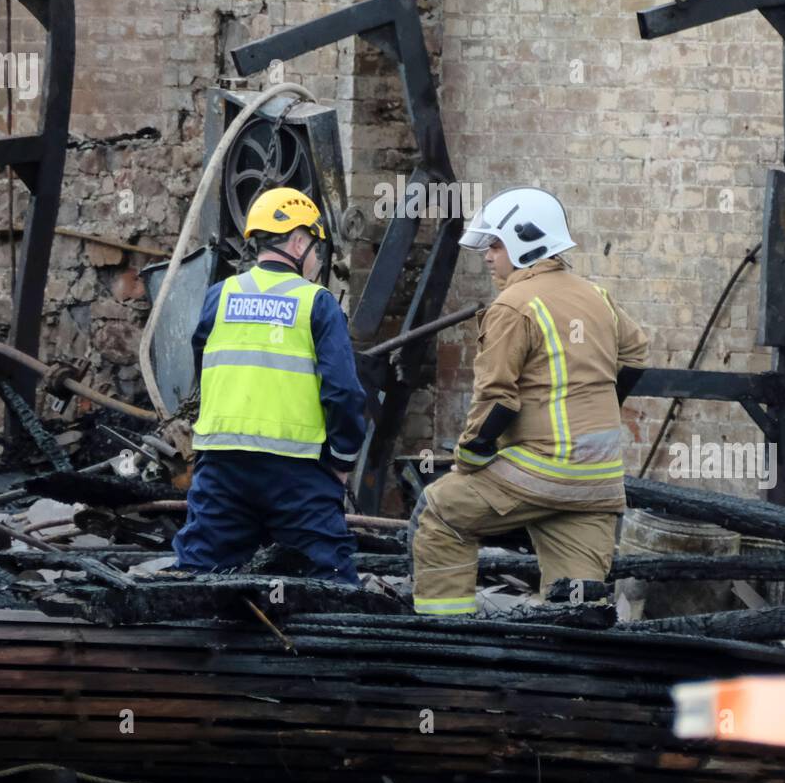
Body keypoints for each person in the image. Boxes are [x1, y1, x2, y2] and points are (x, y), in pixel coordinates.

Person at [410, 187, 648, 616]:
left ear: (526, 241)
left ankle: (447, 640)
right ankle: (570, 672)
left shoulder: (514, 305)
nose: (488, 255)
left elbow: (497, 398)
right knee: (576, 601)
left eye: (496, 244)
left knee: (441, 511)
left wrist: (469, 457)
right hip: (597, 480)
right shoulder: (597, 296)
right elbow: (636, 354)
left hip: (540, 468)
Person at [173, 187, 366, 582]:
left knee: (200, 577)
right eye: (315, 247)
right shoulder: (317, 302)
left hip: (222, 466)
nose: (315, 260)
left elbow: (202, 368)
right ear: (298, 241)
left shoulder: (219, 295)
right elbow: (344, 393)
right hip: (296, 474)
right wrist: (343, 461)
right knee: (326, 582)